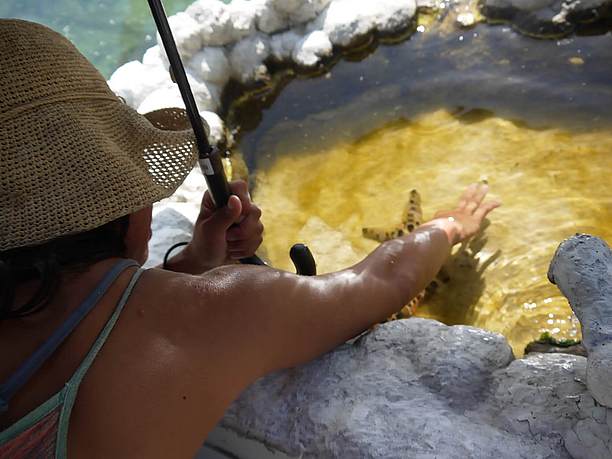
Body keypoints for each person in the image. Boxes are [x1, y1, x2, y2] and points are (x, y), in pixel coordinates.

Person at [0, 19, 500, 459]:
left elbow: (106, 318)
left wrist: (197, 261)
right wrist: (449, 226)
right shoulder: (206, 316)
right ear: (123, 206)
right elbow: (382, 280)